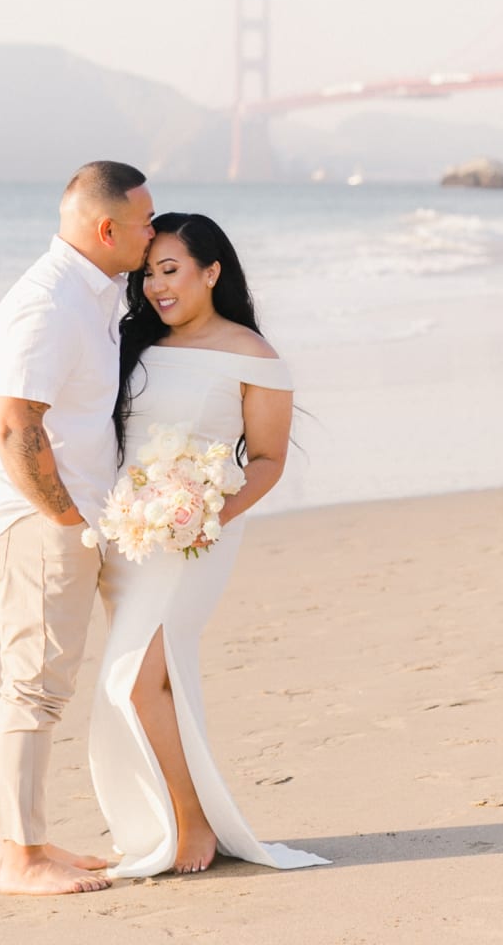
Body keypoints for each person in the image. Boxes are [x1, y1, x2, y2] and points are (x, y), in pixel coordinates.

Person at [88, 212, 329, 877]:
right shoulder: (133, 342)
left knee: (133, 682)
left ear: (211, 271)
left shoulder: (254, 356)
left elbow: (270, 460)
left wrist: (206, 518)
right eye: (149, 274)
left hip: (196, 537)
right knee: (152, 680)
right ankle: (165, 822)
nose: (157, 287)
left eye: (171, 270)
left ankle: (191, 825)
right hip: (130, 536)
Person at [0, 161, 155, 895]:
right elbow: (15, 425)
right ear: (108, 230)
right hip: (36, 521)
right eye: (144, 224)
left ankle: (34, 840)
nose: (153, 235)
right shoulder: (48, 303)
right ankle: (18, 857)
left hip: (67, 515)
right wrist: (72, 522)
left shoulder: (93, 294)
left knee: (47, 682)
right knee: (35, 686)